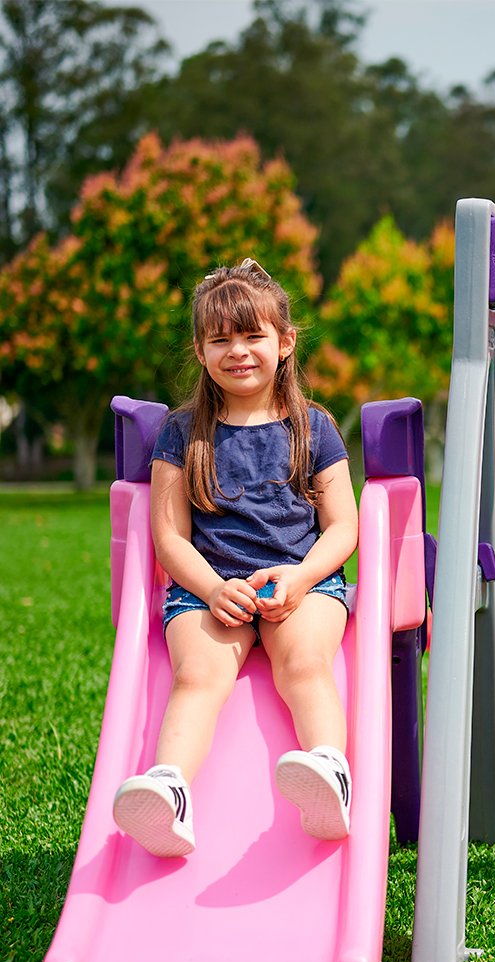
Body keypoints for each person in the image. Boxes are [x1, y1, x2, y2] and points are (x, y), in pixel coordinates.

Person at [112, 258, 359, 858]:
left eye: (253, 336)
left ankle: (330, 773)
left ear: (285, 342)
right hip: (206, 586)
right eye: (221, 339)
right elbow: (169, 537)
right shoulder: (183, 431)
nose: (238, 351)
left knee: (302, 662)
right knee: (197, 676)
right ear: (200, 350)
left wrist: (301, 579)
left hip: (298, 584)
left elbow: (343, 525)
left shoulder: (313, 427)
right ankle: (170, 792)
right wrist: (213, 588)